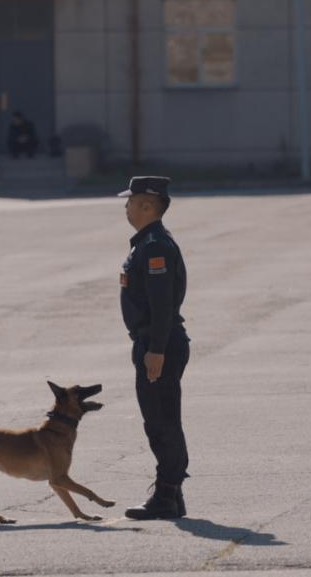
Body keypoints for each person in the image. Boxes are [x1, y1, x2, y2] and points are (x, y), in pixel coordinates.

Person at [117, 176, 191, 520]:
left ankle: (166, 494)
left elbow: (162, 305)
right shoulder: (147, 242)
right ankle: (171, 495)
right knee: (159, 419)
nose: (126, 206)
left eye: (130, 200)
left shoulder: (156, 246)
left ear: (148, 204)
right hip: (153, 341)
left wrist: (156, 350)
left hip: (159, 342)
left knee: (162, 420)